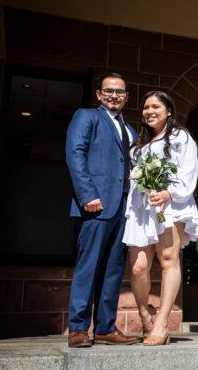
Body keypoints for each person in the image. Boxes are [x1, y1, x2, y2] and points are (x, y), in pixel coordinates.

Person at [65, 72, 140, 347]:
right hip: (96, 206)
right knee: (88, 267)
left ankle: (107, 327)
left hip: (124, 209)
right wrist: (88, 195)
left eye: (119, 92)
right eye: (108, 91)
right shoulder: (86, 116)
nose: (114, 95)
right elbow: (75, 154)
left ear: (126, 96)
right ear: (99, 94)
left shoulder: (130, 130)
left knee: (113, 270)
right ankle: (78, 329)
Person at [123, 91, 198, 346]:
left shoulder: (182, 138)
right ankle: (145, 314)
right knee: (138, 267)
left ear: (169, 111)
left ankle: (162, 322)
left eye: (155, 106)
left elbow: (189, 173)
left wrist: (169, 192)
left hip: (171, 205)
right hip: (142, 208)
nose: (149, 111)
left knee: (168, 260)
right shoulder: (138, 146)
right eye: (145, 107)